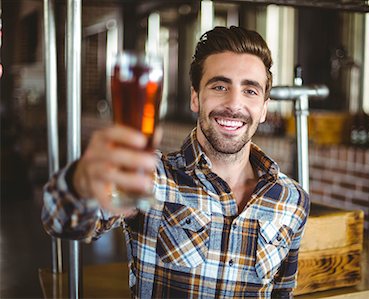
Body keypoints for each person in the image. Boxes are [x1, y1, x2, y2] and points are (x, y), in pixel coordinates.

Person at [42, 26, 310, 298]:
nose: (234, 103)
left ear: (264, 108)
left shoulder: (292, 200)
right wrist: (82, 181)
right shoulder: (151, 176)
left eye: (250, 91)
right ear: (196, 97)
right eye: (220, 86)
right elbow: (60, 220)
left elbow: (282, 293)